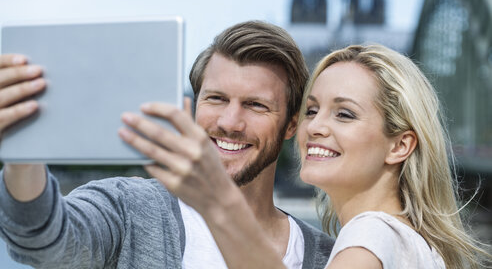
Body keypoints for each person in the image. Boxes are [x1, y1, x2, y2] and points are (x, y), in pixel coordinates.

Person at [0, 21, 334, 268]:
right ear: (192, 105)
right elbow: (42, 240)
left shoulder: (327, 256)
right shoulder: (129, 208)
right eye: (216, 99)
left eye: (255, 105)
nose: (230, 122)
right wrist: (21, 148)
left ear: (292, 124)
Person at [126, 44, 491, 268]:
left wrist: (221, 205)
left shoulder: (371, 236)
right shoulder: (412, 243)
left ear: (400, 146)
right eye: (312, 110)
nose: (314, 127)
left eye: (344, 113)